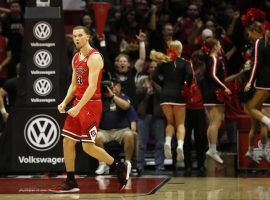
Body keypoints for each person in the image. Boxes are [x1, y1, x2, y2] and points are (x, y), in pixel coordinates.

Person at [49, 26, 129, 193]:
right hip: (79, 102)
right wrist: (64, 102)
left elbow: (92, 87)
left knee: (87, 147)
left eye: (80, 35)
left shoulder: (95, 57)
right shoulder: (76, 57)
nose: (76, 38)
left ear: (88, 37)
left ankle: (118, 166)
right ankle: (71, 181)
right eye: (74, 36)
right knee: (67, 141)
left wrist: (78, 107)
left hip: (91, 105)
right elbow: (74, 85)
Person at [151, 40, 192, 163]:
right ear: (180, 49)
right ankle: (180, 146)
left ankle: (168, 142)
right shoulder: (185, 63)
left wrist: (164, 85)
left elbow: (154, 77)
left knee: (170, 122)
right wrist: (186, 86)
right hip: (178, 95)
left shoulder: (163, 62)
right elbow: (190, 75)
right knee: (180, 124)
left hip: (165, 95)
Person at [199, 38, 231, 164]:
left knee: (215, 122)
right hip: (213, 93)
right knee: (215, 122)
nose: (220, 46)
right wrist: (224, 87)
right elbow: (213, 75)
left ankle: (212, 149)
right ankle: (212, 149)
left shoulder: (214, 58)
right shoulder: (213, 58)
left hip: (212, 92)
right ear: (214, 47)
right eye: (218, 44)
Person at [94, 79, 135, 175]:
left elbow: (126, 106)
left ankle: (127, 163)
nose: (112, 88)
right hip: (105, 131)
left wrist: (113, 96)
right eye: (111, 86)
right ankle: (102, 164)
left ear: (120, 87)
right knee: (96, 137)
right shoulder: (101, 99)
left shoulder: (123, 97)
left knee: (129, 135)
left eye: (115, 86)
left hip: (122, 130)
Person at [244, 21, 270, 163]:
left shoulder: (259, 42)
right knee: (256, 119)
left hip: (262, 81)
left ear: (254, 30)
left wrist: (249, 81)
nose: (248, 35)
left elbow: (256, 65)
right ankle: (251, 150)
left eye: (249, 32)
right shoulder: (267, 40)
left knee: (250, 108)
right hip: (267, 82)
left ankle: (262, 149)